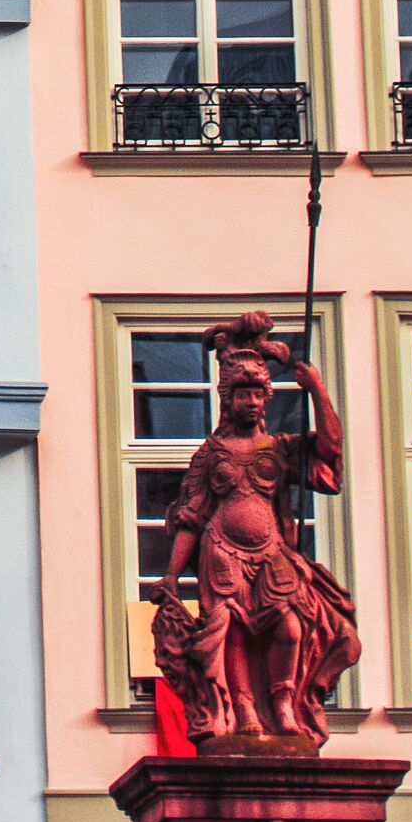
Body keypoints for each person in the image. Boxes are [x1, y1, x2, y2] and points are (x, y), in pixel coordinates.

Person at [153, 313, 361, 749]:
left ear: (267, 398)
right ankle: (244, 706)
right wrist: (172, 576)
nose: (251, 402)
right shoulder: (211, 454)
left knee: (289, 626)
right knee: (234, 634)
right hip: (222, 553)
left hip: (270, 552)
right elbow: (192, 516)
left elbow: (331, 450)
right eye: (242, 394)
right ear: (227, 400)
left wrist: (316, 388)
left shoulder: (280, 449)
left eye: (258, 394)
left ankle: (283, 701)